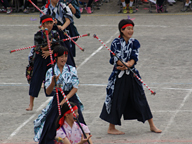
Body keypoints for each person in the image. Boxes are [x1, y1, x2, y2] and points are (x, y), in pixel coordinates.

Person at [100, 19, 162, 135]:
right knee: (116, 100)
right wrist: (123, 64)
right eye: (128, 28)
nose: (131, 31)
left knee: (141, 97)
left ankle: (152, 125)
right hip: (119, 75)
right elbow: (114, 59)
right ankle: (111, 127)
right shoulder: (116, 43)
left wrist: (129, 64)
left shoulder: (135, 42)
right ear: (122, 30)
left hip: (132, 74)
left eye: (132, 28)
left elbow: (134, 56)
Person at [35, 45, 86, 144]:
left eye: (66, 56)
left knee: (77, 119)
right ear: (56, 57)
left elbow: (75, 88)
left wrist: (65, 100)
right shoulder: (51, 71)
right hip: (58, 97)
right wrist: (53, 83)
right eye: (61, 56)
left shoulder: (72, 69)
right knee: (52, 121)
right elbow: (48, 92)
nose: (64, 59)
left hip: (71, 98)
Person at [26, 14, 60, 111]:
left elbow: (58, 47)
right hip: (40, 59)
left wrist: (51, 51)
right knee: (36, 79)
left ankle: (55, 101)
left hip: (51, 59)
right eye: (47, 23)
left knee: (52, 79)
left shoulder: (55, 34)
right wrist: (47, 46)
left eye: (50, 23)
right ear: (43, 24)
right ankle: (31, 104)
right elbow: (37, 48)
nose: (49, 25)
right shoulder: (38, 35)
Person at [40, 0, 76, 67]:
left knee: (64, 50)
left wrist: (62, 27)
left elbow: (68, 20)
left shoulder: (63, 6)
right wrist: (51, 24)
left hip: (61, 32)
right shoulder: (45, 8)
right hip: (48, 32)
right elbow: (42, 22)